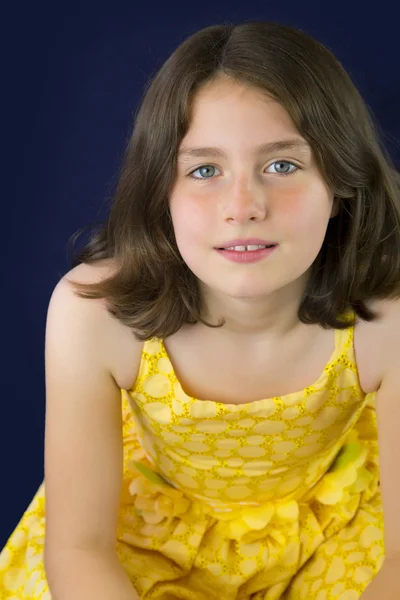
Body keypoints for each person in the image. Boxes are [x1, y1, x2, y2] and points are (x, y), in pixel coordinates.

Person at [1, 19, 400, 600]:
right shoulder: (93, 313)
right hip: (144, 536)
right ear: (161, 190)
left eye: (282, 165)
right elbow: (78, 546)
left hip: (332, 528)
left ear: (340, 183)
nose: (243, 207)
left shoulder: (386, 319)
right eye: (205, 170)